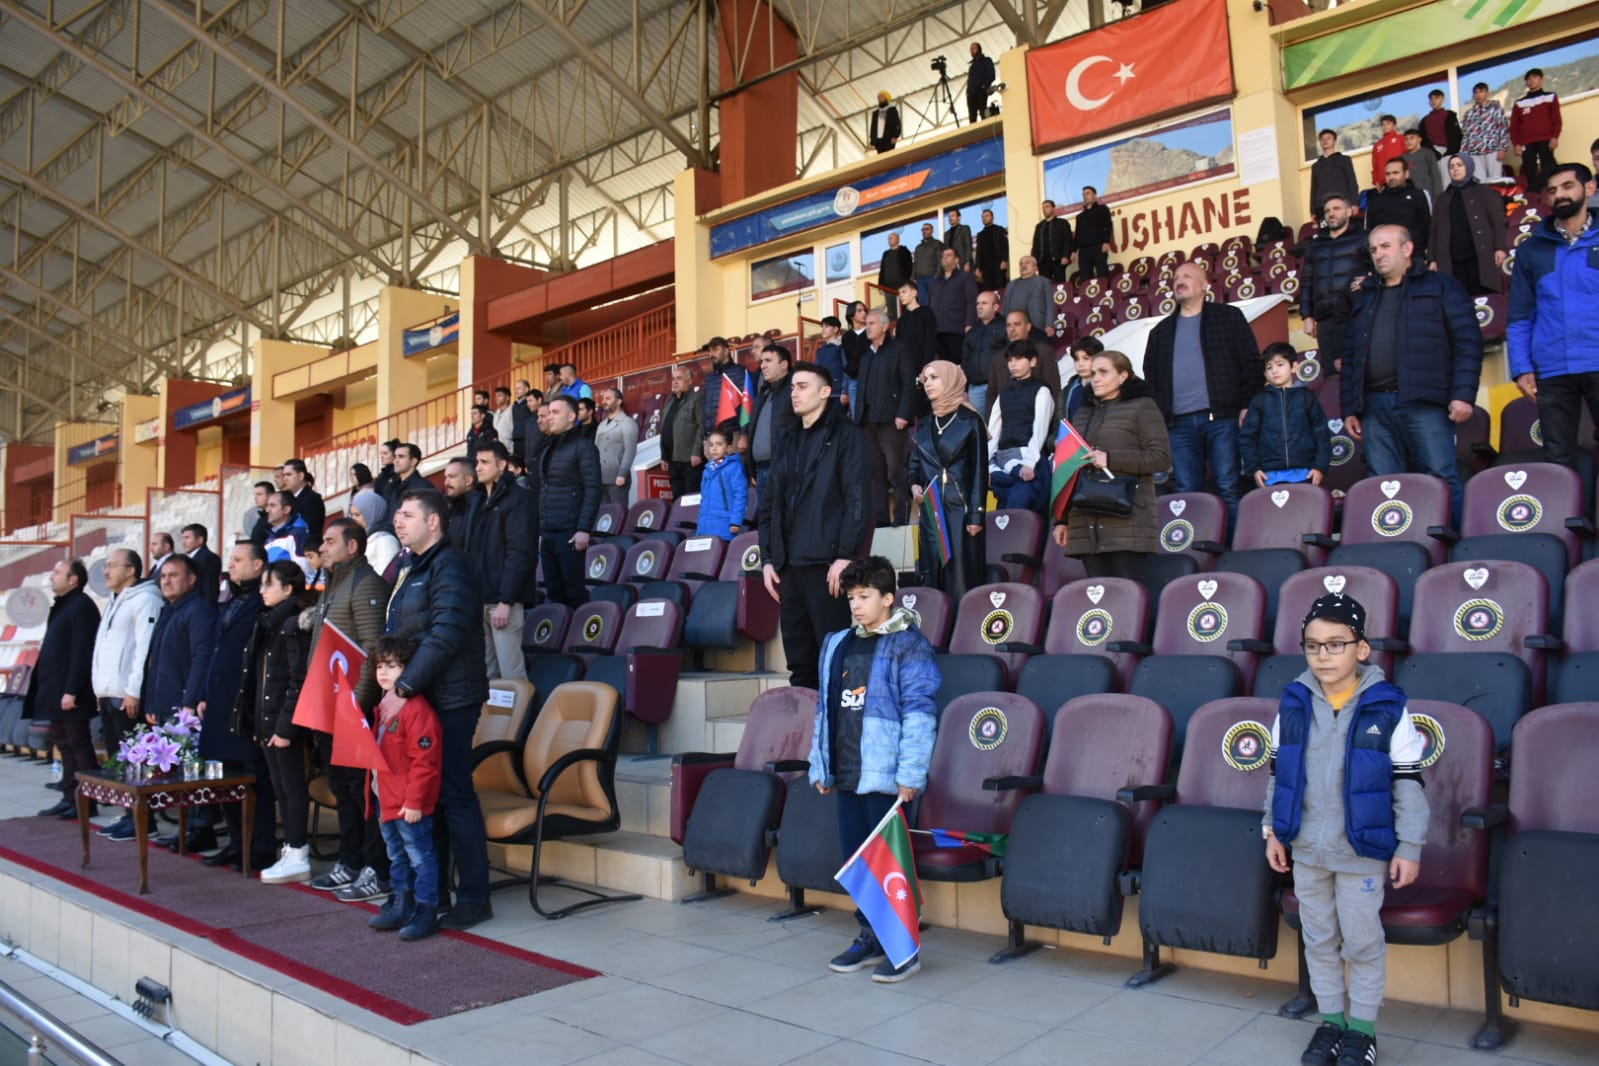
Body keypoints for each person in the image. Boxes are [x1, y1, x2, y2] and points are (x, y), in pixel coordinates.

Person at [1264, 593, 1428, 1066]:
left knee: (1361, 942)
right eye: (1313, 645)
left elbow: (1409, 783)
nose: (1323, 655)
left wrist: (1410, 846)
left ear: (1362, 649)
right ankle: (1331, 1023)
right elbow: (1279, 776)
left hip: (1363, 850)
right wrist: (1272, 831)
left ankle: (1362, 1030)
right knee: (1318, 938)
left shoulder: (1388, 708)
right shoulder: (1293, 704)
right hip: (1307, 848)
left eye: (1336, 644)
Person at [809, 555, 939, 984]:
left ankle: (903, 949)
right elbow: (824, 710)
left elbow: (920, 713)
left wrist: (911, 774)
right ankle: (869, 936)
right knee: (858, 861)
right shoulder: (838, 642)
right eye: (852, 598)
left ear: (888, 598)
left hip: (886, 776)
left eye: (865, 597)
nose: (857, 605)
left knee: (888, 863)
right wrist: (821, 764)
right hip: (848, 770)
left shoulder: (909, 644)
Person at [384, 489, 492, 931]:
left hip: (452, 697)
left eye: (408, 515)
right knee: (429, 799)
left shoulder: (450, 565)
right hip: (425, 695)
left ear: (435, 522)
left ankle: (473, 897)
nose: (398, 521)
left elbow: (444, 634)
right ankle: (433, 893)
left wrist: (405, 685)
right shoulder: (412, 567)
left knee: (453, 794)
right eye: (397, 514)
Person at [1343, 224, 1483, 531]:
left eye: (1385, 246)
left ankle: (1458, 548)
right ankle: (1398, 550)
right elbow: (1352, 354)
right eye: (1374, 249)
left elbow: (1468, 342)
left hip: (1425, 402)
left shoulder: (1441, 286)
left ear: (1407, 249)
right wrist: (1350, 407)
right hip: (1374, 406)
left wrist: (1463, 394)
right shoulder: (1365, 297)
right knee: (1384, 485)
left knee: (1441, 476)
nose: (1378, 254)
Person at [759, 363, 874, 690]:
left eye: (803, 386)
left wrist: (845, 555)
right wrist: (767, 558)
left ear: (826, 392)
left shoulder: (848, 436)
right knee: (799, 664)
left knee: (833, 659)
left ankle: (834, 738)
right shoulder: (786, 439)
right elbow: (769, 503)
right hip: (788, 568)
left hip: (827, 567)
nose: (794, 393)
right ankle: (805, 736)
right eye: (793, 387)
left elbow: (857, 498)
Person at [306, 517, 393, 901]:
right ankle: (350, 861)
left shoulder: (366, 583)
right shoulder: (333, 584)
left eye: (329, 541)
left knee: (362, 795)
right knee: (342, 789)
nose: (322, 548)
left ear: (352, 547)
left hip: (353, 712)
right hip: (327, 710)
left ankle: (377, 868)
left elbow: (374, 651)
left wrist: (358, 705)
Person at [1142, 261, 1262, 520]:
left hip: (1223, 418)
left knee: (1228, 486)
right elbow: (1151, 378)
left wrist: (1246, 403)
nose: (1179, 280)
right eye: (1175, 277)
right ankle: (1197, 552)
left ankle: (1234, 551)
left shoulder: (1228, 317)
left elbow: (1251, 362)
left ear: (1205, 285)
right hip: (1178, 425)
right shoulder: (1160, 332)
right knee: (1188, 492)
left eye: (1187, 276)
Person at [1507, 163, 1599, 468]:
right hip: (1553, 368)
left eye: (1567, 186)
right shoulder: (1531, 250)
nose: (1559, 195)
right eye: (1553, 190)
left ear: (1589, 189)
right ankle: (1569, 517)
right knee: (1558, 459)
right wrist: (1521, 368)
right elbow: (1520, 313)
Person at [1052, 351, 1173, 580]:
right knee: (1101, 604)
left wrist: (1111, 459)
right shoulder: (1081, 413)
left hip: (1127, 521)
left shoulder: (1143, 407)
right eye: (1093, 372)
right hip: (1085, 520)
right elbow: (1068, 470)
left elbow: (1160, 458)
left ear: (1123, 376)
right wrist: (1061, 519)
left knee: (1126, 599)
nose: (1095, 378)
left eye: (1103, 372)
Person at [196, 543, 277, 872]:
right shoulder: (231, 598)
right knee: (225, 778)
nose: (231, 564)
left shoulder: (262, 602)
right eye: (231, 559)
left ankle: (260, 848)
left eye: (239, 560)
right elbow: (217, 651)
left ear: (258, 565)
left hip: (245, 705)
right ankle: (236, 842)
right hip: (219, 700)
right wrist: (203, 694)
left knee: (252, 777)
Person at [366, 636, 444, 942]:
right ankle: (401, 903)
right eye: (380, 666)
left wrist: (414, 802)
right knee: (397, 856)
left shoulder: (416, 710)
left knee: (420, 857)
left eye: (393, 666)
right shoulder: (384, 705)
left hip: (408, 803)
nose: (384, 673)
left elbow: (425, 762)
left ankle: (427, 909)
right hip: (386, 799)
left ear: (409, 670)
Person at [143, 556, 219, 850]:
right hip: (164, 704)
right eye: (163, 576)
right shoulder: (168, 611)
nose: (166, 581)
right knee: (180, 773)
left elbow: (203, 657)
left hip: (186, 707)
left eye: (174, 575)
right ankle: (189, 827)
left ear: (191, 579)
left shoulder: (198, 610)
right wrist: (151, 701)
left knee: (193, 770)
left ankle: (202, 828)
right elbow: (155, 662)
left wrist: (190, 701)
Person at [89, 548, 161, 840]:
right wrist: (99, 687)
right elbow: (103, 648)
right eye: (105, 566)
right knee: (120, 758)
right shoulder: (114, 600)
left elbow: (143, 649)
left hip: (127, 694)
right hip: (109, 691)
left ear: (130, 570)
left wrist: (133, 691)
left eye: (112, 566)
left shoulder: (145, 599)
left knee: (136, 759)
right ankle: (127, 812)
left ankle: (145, 820)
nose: (106, 571)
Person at [253, 561, 316, 885]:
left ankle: (297, 851)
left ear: (288, 588)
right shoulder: (272, 621)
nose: (262, 590)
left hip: (283, 722)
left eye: (269, 584)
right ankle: (290, 850)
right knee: (280, 786)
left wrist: (284, 728)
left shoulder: (294, 623)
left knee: (291, 787)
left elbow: (297, 679)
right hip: (269, 720)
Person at [28, 560, 101, 820]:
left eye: (57, 572)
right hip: (55, 690)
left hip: (71, 691)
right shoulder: (64, 604)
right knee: (64, 743)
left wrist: (71, 689)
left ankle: (88, 800)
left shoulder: (81, 606)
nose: (51, 576)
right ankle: (70, 796)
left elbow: (82, 651)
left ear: (73, 580)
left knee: (78, 743)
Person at [908, 362, 987, 602]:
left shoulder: (970, 420)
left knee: (961, 578)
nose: (927, 383)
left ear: (950, 380)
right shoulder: (925, 422)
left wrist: (975, 515)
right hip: (931, 510)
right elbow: (914, 464)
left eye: (934, 377)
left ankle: (962, 633)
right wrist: (913, 486)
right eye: (925, 378)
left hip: (959, 511)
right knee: (932, 573)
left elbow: (979, 472)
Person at [470, 441, 537, 682]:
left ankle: (522, 721)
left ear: (502, 465)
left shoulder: (519, 498)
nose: (478, 467)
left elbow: (520, 552)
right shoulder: (476, 500)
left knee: (512, 676)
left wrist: (506, 600)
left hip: (502, 602)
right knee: (487, 677)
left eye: (484, 462)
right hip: (480, 599)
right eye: (477, 462)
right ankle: (494, 722)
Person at [538, 396, 602, 609]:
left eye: (556, 412)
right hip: (548, 532)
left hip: (570, 532)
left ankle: (582, 639)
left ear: (572, 416)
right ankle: (559, 640)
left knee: (574, 591)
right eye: (549, 413)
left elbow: (593, 489)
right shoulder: (547, 448)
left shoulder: (584, 447)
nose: (550, 417)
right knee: (554, 592)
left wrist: (583, 528)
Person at [854, 310, 917, 527]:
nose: (867, 326)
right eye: (866, 323)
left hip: (891, 419)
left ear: (884, 326)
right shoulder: (865, 356)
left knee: (896, 472)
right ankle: (880, 519)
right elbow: (860, 389)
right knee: (875, 474)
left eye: (871, 323)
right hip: (867, 421)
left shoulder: (899, 350)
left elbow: (909, 383)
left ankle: (901, 518)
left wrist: (903, 414)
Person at [1240, 343, 1333, 488]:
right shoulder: (1259, 401)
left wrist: (1320, 467)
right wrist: (1254, 469)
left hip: (1306, 472)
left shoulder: (1307, 397)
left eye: (1280, 364)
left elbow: (1322, 434)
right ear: (1264, 374)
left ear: (1294, 367)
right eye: (1269, 367)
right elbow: (1248, 438)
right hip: (1269, 475)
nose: (1274, 371)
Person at [1300, 195, 1370, 372]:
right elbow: (1307, 281)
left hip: (1356, 314)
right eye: (1327, 211)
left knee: (1361, 370)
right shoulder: (1315, 245)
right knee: (1332, 376)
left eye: (1336, 209)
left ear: (1348, 212)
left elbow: (1380, 268)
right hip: (1326, 320)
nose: (1331, 214)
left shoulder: (1364, 238)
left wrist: (1369, 280)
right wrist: (1307, 316)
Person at [987, 343, 1056, 513]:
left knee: (1020, 511)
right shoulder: (1004, 394)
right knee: (1003, 514)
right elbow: (993, 432)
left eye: (1018, 359)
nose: (1013, 364)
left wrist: (1030, 463)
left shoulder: (1042, 391)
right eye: (1010, 360)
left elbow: (1040, 428)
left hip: (1029, 462)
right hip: (1003, 461)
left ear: (1033, 362)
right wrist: (988, 463)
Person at [1429, 154, 1509, 296]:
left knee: (1484, 296)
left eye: (1460, 165)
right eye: (1451, 166)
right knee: (1458, 298)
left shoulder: (1484, 191)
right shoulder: (1442, 198)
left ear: (1469, 167)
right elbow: (1434, 231)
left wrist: (1500, 248)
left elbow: (1497, 222)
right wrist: (1432, 258)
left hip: (1479, 255)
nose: (1455, 169)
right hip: (1452, 259)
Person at [986, 310, 1061, 416]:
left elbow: (1054, 389)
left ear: (1028, 327)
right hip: (1005, 421)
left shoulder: (1044, 352)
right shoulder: (998, 358)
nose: (1012, 329)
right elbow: (991, 394)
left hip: (1037, 419)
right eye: (1008, 325)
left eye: (1017, 324)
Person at [749, 344, 796, 506]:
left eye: (768, 360)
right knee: (767, 523)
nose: (762, 365)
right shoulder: (763, 393)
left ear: (784, 364)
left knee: (785, 522)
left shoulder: (794, 391)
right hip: (761, 471)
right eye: (762, 361)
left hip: (784, 470)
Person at [1365, 158, 1432, 259]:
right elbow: (1368, 234)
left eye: (1395, 173)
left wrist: (1431, 257)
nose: (1391, 177)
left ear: (1406, 174)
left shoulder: (1420, 195)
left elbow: (1430, 227)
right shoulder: (1375, 202)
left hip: (1416, 258)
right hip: (1386, 260)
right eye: (1388, 174)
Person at [1511, 68, 1560, 191]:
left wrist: (1555, 136)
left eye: (1534, 77)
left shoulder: (1550, 97)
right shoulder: (1519, 103)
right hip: (1526, 142)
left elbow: (1556, 119)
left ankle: (1553, 192)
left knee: (1549, 168)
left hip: (1546, 139)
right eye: (1528, 79)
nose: (1531, 81)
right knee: (1530, 171)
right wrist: (1516, 144)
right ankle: (1534, 197)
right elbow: (1514, 126)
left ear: (1541, 80)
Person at [658, 365, 704, 498]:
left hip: (690, 460)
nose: (675, 382)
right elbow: (665, 428)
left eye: (679, 378)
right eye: (673, 379)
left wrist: (697, 452)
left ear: (689, 381)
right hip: (672, 460)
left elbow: (702, 426)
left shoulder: (696, 399)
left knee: (691, 498)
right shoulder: (670, 400)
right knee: (677, 498)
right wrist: (664, 456)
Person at [696, 429, 748, 541]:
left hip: (724, 526)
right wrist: (700, 524)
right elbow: (704, 499)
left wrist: (736, 521)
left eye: (719, 444)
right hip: (705, 527)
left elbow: (740, 496)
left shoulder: (734, 467)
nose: (714, 448)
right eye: (711, 445)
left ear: (729, 447)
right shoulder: (707, 470)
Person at [928, 248, 978, 366]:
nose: (945, 257)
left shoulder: (965, 277)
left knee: (961, 365)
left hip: (957, 330)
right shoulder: (935, 283)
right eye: (943, 256)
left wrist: (969, 324)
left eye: (949, 255)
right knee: (947, 368)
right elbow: (929, 306)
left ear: (957, 260)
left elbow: (971, 301)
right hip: (938, 331)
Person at [961, 290, 1007, 414]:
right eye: (977, 304)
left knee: (998, 428)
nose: (979, 307)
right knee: (980, 428)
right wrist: (964, 389)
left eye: (984, 303)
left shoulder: (1006, 327)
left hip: (999, 387)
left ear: (996, 307)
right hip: (975, 389)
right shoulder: (972, 331)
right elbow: (965, 361)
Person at [594, 387, 639, 508]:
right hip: (601, 478)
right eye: (603, 398)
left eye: (608, 398)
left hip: (617, 478)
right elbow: (596, 451)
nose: (604, 401)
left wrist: (622, 474)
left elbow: (630, 451)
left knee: (618, 516)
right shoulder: (601, 425)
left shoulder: (627, 423)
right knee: (602, 517)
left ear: (619, 401)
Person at [1461, 82, 1511, 181]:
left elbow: (1503, 129)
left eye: (1481, 91)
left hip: (1492, 149)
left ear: (1487, 93)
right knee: (1479, 182)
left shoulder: (1496, 109)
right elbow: (1466, 135)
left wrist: (1502, 148)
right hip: (1474, 151)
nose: (1478, 95)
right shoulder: (1469, 113)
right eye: (1476, 92)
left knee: (1495, 179)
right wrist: (1464, 153)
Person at [348, 490, 401, 579]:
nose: (353, 520)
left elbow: (388, 578)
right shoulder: (362, 539)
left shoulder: (386, 541)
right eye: (352, 515)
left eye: (357, 515)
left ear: (371, 513)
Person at [1310, 129, 1359, 219]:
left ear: (1335, 141)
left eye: (1328, 138)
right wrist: (1312, 211)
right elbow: (1314, 188)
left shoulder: (1344, 160)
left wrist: (1355, 203)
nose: (1325, 141)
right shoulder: (1316, 166)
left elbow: (1352, 182)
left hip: (1342, 203)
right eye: (1322, 139)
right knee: (1325, 232)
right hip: (1322, 207)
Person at [1001, 255, 1051, 336]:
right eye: (1021, 264)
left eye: (1027, 263)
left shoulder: (1044, 282)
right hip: (1015, 329)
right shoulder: (1011, 284)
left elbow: (1050, 304)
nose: (1023, 266)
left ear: (1035, 267)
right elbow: (1005, 307)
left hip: (1037, 326)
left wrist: (1050, 325)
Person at [1420, 89, 1462, 180]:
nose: (1433, 101)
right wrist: (1432, 151)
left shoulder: (1449, 115)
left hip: (1448, 151)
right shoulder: (1425, 120)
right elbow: (1423, 139)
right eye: (1431, 99)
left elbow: (1456, 135)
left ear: (1443, 99)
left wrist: (1451, 151)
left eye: (1436, 98)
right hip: (1432, 152)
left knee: (1449, 178)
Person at [441, 457, 480, 554]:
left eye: (452, 477)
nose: (446, 483)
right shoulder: (448, 508)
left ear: (468, 481)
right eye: (446, 477)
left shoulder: (479, 510)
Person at [280, 459, 325, 542]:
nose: (285, 479)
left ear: (301, 476)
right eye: (284, 475)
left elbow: (311, 530)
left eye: (288, 474)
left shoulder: (312, 499)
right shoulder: (289, 498)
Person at [1074, 186, 1114, 279]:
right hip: (1084, 251)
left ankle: (1105, 293)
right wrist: (1073, 250)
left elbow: (1108, 225)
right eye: (1083, 194)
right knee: (1085, 277)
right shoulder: (1080, 216)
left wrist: (1106, 242)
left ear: (1095, 196)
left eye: (1088, 193)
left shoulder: (1102, 209)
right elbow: (1078, 235)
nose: (1085, 196)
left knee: (1102, 275)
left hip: (1098, 247)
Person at [1030, 200, 1073, 284]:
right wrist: (1034, 261)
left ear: (1053, 209)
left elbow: (1068, 240)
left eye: (1047, 207)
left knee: (1060, 284)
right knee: (1045, 286)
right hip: (1042, 262)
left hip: (1058, 259)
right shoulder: (1039, 226)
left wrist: (1065, 255)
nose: (1044, 210)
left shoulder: (1062, 223)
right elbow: (1035, 245)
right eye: (1043, 208)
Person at [1063, 336, 1102, 423]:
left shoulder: (1105, 387)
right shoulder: (1067, 391)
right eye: (1076, 359)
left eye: (1086, 358)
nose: (1080, 364)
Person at [179, 524, 221, 605]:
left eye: (187, 538)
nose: (183, 542)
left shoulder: (209, 558)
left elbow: (210, 589)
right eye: (182, 538)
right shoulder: (187, 559)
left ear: (200, 540)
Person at [813, 317, 849, 409]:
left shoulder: (842, 347)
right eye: (822, 327)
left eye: (827, 326)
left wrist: (845, 391)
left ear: (835, 329)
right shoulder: (820, 351)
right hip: (823, 395)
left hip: (838, 394)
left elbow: (846, 369)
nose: (823, 329)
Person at [1400, 129, 1443, 204]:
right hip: (1409, 195)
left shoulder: (1427, 154)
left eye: (1412, 138)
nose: (1408, 141)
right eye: (1406, 139)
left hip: (1427, 194)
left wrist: (1438, 195)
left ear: (1419, 139)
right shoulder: (1402, 158)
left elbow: (1435, 175)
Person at [264, 490, 309, 560]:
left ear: (286, 509)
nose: (267, 510)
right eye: (267, 506)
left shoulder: (298, 534)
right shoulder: (270, 537)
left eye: (272, 506)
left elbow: (303, 567)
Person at [876, 235, 913, 315]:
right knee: (892, 309)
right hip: (887, 286)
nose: (889, 240)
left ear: (898, 239)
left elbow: (909, 267)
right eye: (888, 238)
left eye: (891, 238)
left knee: (903, 305)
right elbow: (882, 270)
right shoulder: (886, 254)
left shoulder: (904, 251)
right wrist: (880, 285)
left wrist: (905, 281)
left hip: (900, 284)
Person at [974, 208, 1008, 288]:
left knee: (1000, 287)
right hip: (985, 268)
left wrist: (1004, 260)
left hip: (998, 264)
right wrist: (977, 267)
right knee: (988, 289)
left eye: (986, 216)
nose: (984, 218)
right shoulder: (980, 234)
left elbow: (1005, 246)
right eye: (983, 217)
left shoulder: (999, 230)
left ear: (993, 217)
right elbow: (978, 252)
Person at [912, 223, 944, 307]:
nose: (924, 231)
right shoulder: (918, 247)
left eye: (927, 229)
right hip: (920, 280)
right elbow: (915, 263)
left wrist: (937, 276)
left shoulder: (937, 244)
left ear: (932, 231)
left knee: (936, 302)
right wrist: (913, 277)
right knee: (923, 303)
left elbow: (941, 261)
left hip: (932, 278)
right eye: (922, 229)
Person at [1370, 114, 1405, 188]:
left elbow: (1408, 157)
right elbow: (1375, 165)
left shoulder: (1401, 139)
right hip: (1384, 183)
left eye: (1388, 123)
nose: (1385, 126)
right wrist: (1376, 181)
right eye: (1383, 124)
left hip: (1401, 179)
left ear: (1394, 125)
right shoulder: (1377, 145)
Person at [965, 43, 995, 123]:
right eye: (971, 49)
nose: (972, 50)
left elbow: (991, 75)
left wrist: (984, 86)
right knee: (972, 117)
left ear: (979, 49)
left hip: (981, 91)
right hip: (971, 94)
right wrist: (968, 92)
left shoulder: (986, 60)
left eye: (974, 48)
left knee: (983, 113)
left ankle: (986, 129)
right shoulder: (972, 66)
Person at [248, 481, 275, 547]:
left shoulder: (275, 518)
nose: (255, 498)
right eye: (255, 495)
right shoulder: (262, 518)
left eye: (259, 494)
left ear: (270, 495)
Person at [510, 380, 533, 460]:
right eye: (516, 389)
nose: (516, 391)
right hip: (516, 439)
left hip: (527, 439)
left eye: (519, 388)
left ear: (526, 389)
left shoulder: (529, 403)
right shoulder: (514, 405)